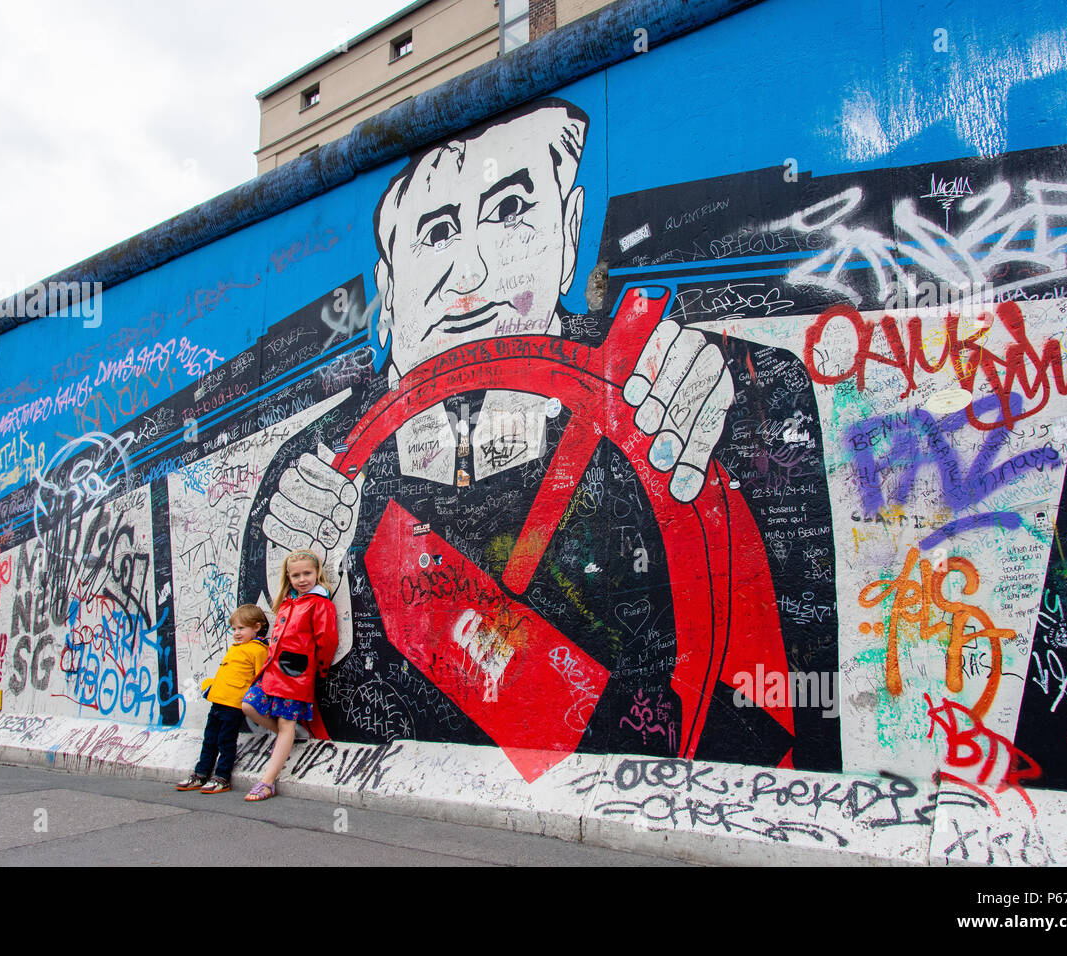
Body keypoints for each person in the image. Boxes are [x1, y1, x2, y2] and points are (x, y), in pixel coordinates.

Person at [253, 98, 815, 773]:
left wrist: (742, 399)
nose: (471, 275)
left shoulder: (658, 386)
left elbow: (769, 716)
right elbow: (293, 692)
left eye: (510, 209)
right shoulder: (309, 474)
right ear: (390, 286)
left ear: (569, 230)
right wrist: (313, 588)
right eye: (436, 233)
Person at [241, 549, 338, 801]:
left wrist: (320, 669)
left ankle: (266, 781)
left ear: (318, 573)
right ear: (288, 576)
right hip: (272, 672)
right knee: (248, 706)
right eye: (296, 575)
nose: (302, 579)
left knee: (286, 725)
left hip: (296, 675)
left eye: (308, 573)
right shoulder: (287, 602)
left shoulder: (320, 604)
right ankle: (290, 736)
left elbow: (326, 640)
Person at [174, 604, 270, 794]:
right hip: (218, 701)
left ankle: (222, 776)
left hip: (234, 705)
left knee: (226, 741)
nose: (236, 633)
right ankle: (201, 772)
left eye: (241, 628)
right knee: (209, 739)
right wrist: (211, 686)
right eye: (234, 629)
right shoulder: (236, 648)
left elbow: (261, 678)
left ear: (257, 627)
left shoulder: (257, 650)